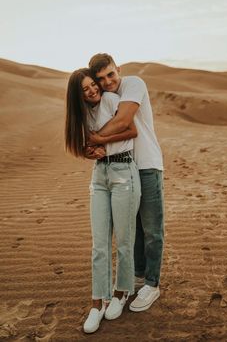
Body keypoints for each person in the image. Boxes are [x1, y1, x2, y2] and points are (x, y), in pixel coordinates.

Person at [65, 68, 141, 333]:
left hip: (123, 172)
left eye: (92, 85)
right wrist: (91, 149)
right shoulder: (82, 113)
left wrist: (102, 139)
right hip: (100, 176)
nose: (92, 90)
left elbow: (132, 131)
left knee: (123, 241)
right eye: (85, 89)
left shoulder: (110, 100)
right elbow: (86, 145)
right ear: (79, 94)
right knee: (99, 245)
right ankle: (97, 303)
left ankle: (121, 293)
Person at [88, 53, 164, 312]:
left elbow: (123, 121)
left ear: (118, 69)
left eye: (111, 74)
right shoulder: (104, 99)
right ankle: (140, 276)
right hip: (125, 168)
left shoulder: (133, 84)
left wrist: (95, 140)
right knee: (134, 231)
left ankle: (152, 285)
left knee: (152, 229)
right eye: (101, 78)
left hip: (148, 164)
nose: (108, 81)